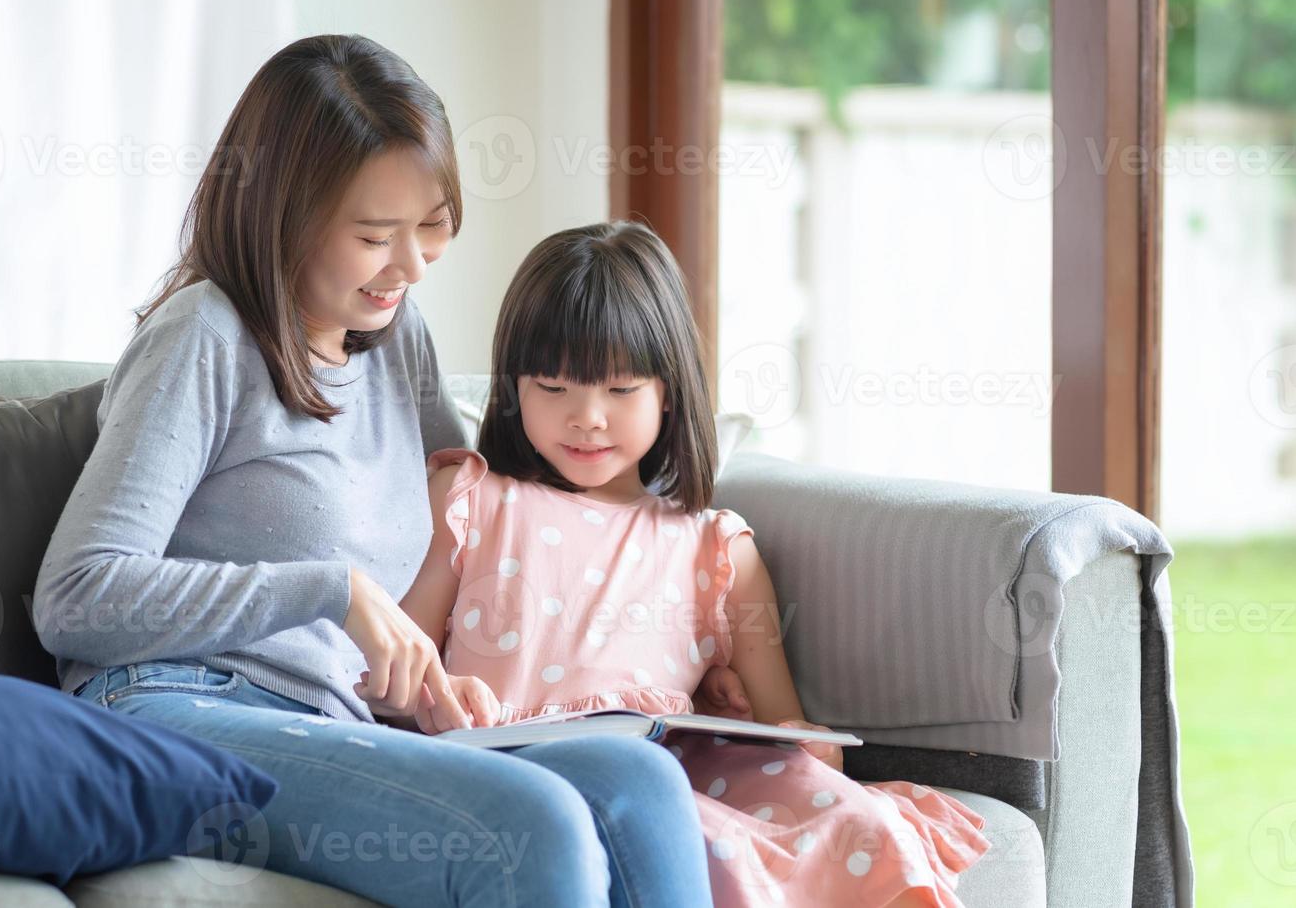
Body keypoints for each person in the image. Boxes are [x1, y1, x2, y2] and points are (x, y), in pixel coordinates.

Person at [33, 35, 716, 907]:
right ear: (286, 215)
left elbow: (484, 505)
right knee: (533, 821)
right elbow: (75, 598)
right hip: (175, 706)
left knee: (638, 782)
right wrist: (333, 591)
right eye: (373, 236)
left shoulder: (397, 338)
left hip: (332, 719)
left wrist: (432, 683)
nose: (413, 265)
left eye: (431, 226)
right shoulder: (203, 337)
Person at [400, 221, 993, 907]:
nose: (586, 417)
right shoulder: (472, 499)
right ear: (514, 388)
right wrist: (437, 696)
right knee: (668, 834)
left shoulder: (717, 550)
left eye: (620, 391)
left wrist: (797, 738)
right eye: (553, 387)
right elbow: (393, 670)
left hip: (672, 783)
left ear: (668, 391)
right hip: (516, 779)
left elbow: (792, 737)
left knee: (848, 822)